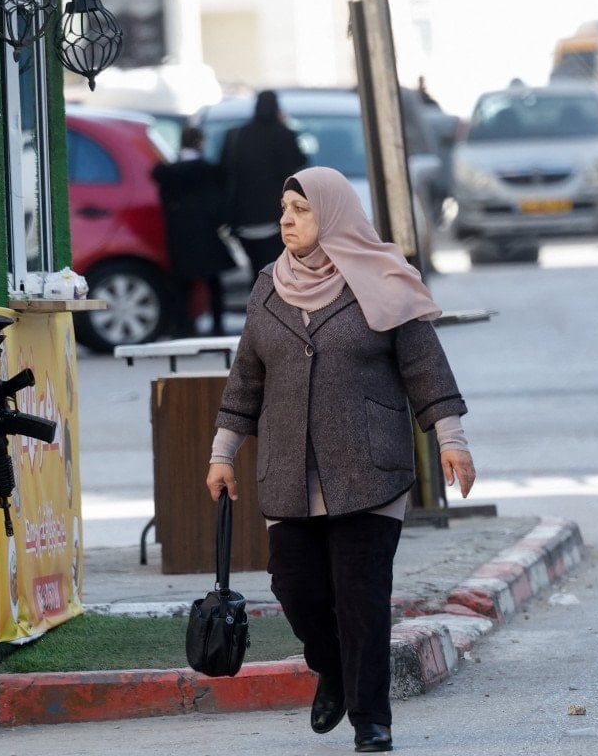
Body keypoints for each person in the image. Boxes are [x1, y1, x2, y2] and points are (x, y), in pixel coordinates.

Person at [204, 166, 476, 754]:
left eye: (300, 210)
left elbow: (425, 369)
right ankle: (330, 667)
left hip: (369, 469)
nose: (286, 220)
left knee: (361, 599)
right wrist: (223, 453)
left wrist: (450, 440)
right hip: (289, 473)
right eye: (284, 209)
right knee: (296, 590)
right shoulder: (268, 286)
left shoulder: (382, 278)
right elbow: (246, 379)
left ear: (332, 214)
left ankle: (371, 719)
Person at [150, 126, 236, 337]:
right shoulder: (208, 171)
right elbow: (220, 202)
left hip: (179, 233)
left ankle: (182, 327)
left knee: (182, 285)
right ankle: (217, 326)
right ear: (200, 142)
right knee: (213, 282)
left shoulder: (168, 172)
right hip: (205, 232)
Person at [219, 90, 308, 277]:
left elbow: (224, 173)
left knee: (257, 273)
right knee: (281, 271)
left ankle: (260, 294)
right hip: (277, 217)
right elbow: (299, 164)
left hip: (243, 219)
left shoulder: (236, 136)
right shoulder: (284, 135)